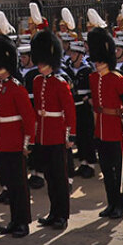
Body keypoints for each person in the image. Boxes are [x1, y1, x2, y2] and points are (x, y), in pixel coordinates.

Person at [0, 32, 35, 237]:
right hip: (2, 141)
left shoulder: (17, 88)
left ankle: (23, 221)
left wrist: (27, 143)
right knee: (9, 184)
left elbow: (29, 119)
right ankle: (14, 220)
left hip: (15, 142)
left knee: (19, 184)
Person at [28, 29, 74, 229]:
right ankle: (53, 212)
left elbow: (70, 112)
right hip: (43, 136)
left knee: (60, 178)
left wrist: (70, 135)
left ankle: (62, 215)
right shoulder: (37, 81)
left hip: (57, 135)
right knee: (49, 177)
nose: (39, 65)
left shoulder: (60, 83)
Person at [88, 23, 123, 218]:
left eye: (100, 61)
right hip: (101, 130)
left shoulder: (117, 78)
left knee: (118, 170)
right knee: (106, 170)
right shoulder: (93, 78)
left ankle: (120, 205)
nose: (97, 64)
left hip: (115, 128)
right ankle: (110, 203)